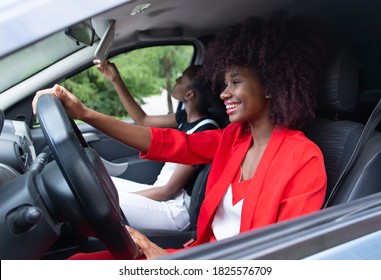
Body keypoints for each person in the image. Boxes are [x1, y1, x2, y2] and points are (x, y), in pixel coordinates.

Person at [32, 15, 328, 260]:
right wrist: (85, 113)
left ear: (270, 86)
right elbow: (164, 143)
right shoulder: (234, 137)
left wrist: (167, 263)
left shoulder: (303, 158)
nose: (224, 93)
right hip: (198, 256)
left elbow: (285, 260)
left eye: (235, 82)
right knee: (79, 262)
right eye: (225, 83)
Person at [95, 63, 220, 231]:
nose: (177, 79)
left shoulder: (205, 131)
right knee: (97, 183)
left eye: (182, 78)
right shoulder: (184, 118)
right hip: (159, 192)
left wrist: (124, 199)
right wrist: (115, 80)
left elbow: (169, 190)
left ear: (190, 94)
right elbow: (143, 121)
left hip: (175, 208)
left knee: (100, 200)